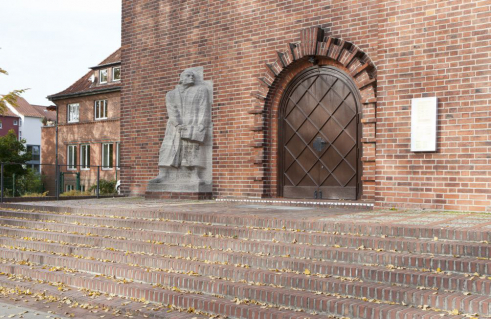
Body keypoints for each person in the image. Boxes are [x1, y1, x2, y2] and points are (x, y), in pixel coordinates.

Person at [149, 70, 211, 184]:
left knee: (192, 149)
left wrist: (202, 124)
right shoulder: (171, 94)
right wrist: (177, 124)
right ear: (181, 78)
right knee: (168, 149)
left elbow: (204, 108)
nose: (191, 77)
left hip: (193, 125)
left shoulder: (201, 90)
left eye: (193, 75)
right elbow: (171, 110)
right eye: (188, 75)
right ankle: (163, 174)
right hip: (174, 126)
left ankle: (194, 175)